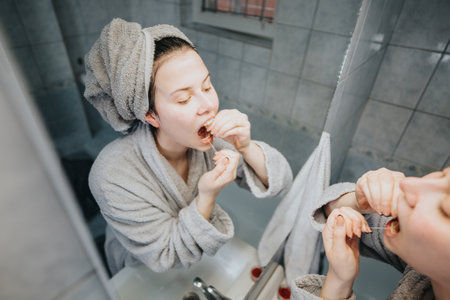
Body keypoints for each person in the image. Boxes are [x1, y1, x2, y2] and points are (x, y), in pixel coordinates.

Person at [83, 18, 293, 275]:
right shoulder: (111, 174)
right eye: (183, 99)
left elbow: (281, 182)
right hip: (140, 270)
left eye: (207, 85)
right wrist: (206, 197)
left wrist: (246, 146)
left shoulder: (210, 137)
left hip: (192, 251)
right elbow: (165, 254)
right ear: (151, 115)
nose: (208, 104)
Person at [291, 166, 450, 300]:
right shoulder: (423, 260)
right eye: (442, 174)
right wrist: (358, 202)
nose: (409, 183)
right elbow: (327, 210)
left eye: (444, 209)